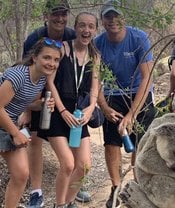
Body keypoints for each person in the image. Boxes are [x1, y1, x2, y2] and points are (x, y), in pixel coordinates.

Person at [22, 1, 91, 207]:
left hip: (63, 94)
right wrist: (28, 107)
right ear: (46, 14)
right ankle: (36, 191)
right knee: (35, 138)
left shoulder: (72, 34)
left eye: (63, 13)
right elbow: (27, 71)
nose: (60, 18)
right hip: (38, 90)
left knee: (74, 146)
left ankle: (73, 186)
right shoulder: (35, 38)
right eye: (55, 14)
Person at [94, 1, 156, 207]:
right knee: (112, 142)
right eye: (108, 17)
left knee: (140, 143)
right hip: (113, 95)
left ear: (123, 18)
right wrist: (104, 107)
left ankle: (140, 186)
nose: (112, 21)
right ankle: (116, 187)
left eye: (116, 16)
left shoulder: (139, 38)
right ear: (102, 21)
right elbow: (94, 79)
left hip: (138, 92)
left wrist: (132, 114)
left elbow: (147, 77)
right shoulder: (98, 43)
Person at [37, 12, 100, 208]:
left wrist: (91, 108)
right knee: (68, 164)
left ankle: (69, 201)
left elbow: (94, 88)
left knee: (84, 165)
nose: (86, 30)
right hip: (58, 113)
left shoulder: (95, 56)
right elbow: (49, 82)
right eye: (82, 25)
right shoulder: (63, 49)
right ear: (75, 27)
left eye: (90, 26)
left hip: (79, 115)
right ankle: (59, 204)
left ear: (96, 30)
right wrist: (63, 111)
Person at [0, 38, 61, 208]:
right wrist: (16, 133)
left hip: (7, 124)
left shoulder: (41, 78)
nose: (52, 63)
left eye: (56, 60)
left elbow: (26, 103)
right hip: (6, 123)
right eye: (47, 58)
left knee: (21, 174)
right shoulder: (19, 75)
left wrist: (41, 104)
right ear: (35, 57)